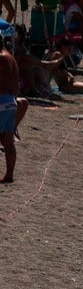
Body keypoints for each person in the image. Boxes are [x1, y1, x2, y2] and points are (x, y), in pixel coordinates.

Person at [0, 37, 21, 183]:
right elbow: (16, 85)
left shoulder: (1, 58)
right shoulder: (11, 58)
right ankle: (9, 174)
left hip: (1, 101)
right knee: (8, 140)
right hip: (11, 101)